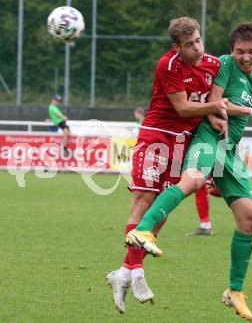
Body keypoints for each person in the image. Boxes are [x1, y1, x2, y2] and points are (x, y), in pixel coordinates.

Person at [126, 22, 252, 321]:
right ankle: (143, 230)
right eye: (241, 51)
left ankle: (235, 292)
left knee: (249, 217)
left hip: (229, 152)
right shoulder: (226, 65)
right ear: (232, 51)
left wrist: (234, 119)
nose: (246, 57)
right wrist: (225, 115)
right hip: (208, 137)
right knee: (191, 183)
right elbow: (214, 101)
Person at [105, 17, 228, 314]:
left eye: (198, 40)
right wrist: (216, 108)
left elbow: (213, 101)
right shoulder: (168, 65)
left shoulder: (213, 64)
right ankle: (137, 274)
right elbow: (184, 107)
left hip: (183, 141)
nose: (197, 48)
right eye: (189, 45)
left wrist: (215, 113)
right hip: (156, 136)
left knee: (161, 213)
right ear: (177, 47)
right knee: (144, 201)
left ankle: (123, 272)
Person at [188, 151, 252, 236]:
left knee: (208, 187)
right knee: (211, 188)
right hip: (213, 157)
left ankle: (205, 226)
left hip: (216, 157)